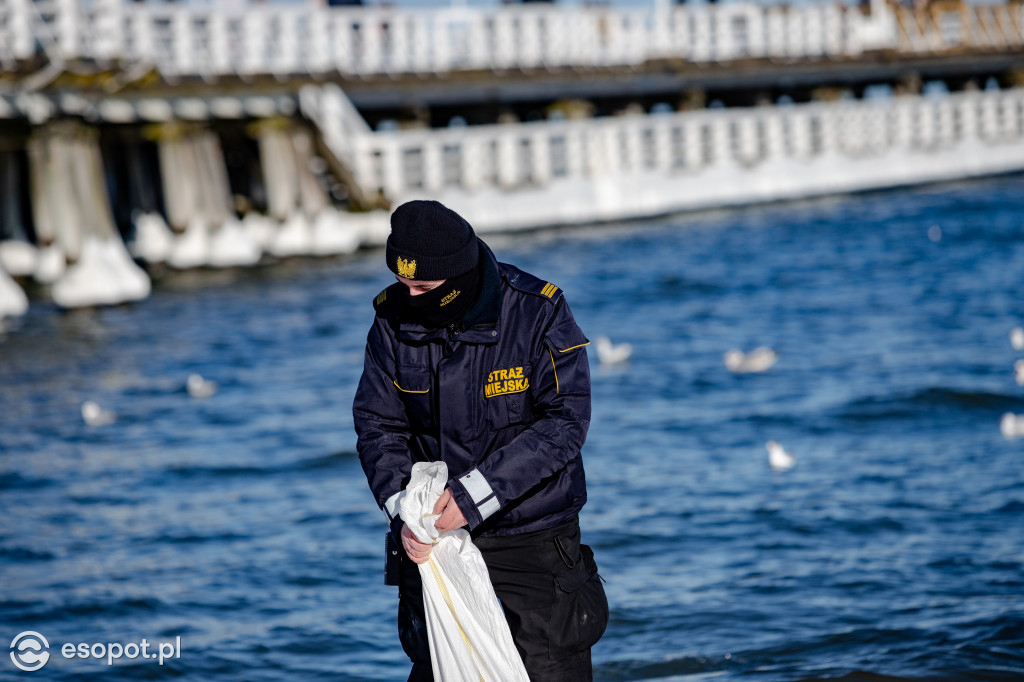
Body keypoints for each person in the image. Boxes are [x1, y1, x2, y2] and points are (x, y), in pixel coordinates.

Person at [353, 200, 608, 681]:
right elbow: (377, 425)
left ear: (456, 276)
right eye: (402, 283)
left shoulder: (537, 311)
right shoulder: (389, 322)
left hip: (532, 550)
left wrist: (473, 497)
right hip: (431, 550)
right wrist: (404, 510)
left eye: (423, 287)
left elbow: (566, 420)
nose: (409, 296)